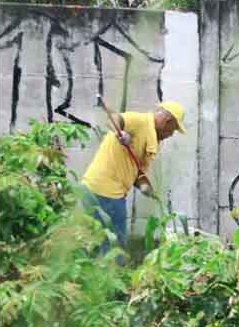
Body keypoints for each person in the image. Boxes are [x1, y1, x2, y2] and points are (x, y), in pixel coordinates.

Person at [80, 101, 187, 261]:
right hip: (106, 192)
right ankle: (113, 281)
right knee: (116, 248)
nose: (171, 134)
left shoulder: (152, 139)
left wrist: (145, 186)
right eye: (173, 129)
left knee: (97, 242)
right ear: (167, 122)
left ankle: (91, 280)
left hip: (96, 188)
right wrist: (121, 134)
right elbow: (115, 119)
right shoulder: (140, 121)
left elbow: (136, 171)